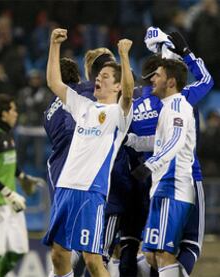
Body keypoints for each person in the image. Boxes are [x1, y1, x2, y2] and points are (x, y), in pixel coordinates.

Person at [42, 28, 134, 277]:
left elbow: (128, 92)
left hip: (91, 191)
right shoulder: (82, 106)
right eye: (99, 75)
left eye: (106, 77)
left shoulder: (119, 114)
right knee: (58, 255)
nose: (99, 79)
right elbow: (54, 82)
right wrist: (54, 45)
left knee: (93, 260)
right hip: (65, 187)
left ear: (116, 86)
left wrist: (123, 56)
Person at [125, 30, 213, 277]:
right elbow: (207, 81)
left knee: (156, 253)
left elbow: (169, 140)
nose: (155, 81)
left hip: (159, 181)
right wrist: (187, 53)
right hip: (172, 180)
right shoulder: (179, 97)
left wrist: (130, 143)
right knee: (182, 247)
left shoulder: (142, 103)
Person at [130, 57, 197, 277]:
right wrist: (131, 140)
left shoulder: (177, 106)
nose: (152, 79)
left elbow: (175, 140)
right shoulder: (168, 107)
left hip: (172, 186)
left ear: (171, 82)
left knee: (162, 254)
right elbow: (158, 142)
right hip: (162, 188)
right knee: (151, 255)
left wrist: (150, 164)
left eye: (157, 75)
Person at [0, 93, 45, 277]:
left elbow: (9, 164)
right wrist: (8, 193)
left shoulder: (8, 134)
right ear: (3, 113)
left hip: (11, 201)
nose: (16, 113)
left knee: (20, 249)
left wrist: (23, 176)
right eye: (13, 110)